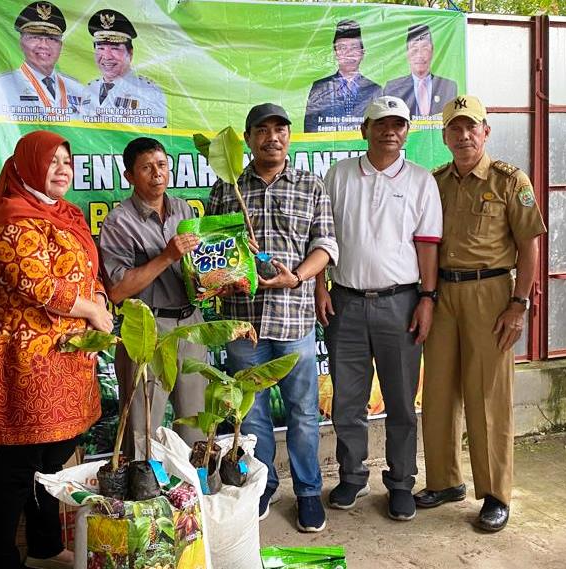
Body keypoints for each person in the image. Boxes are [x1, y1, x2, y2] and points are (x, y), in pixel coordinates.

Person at [0, 130, 112, 569]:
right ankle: (2, 559)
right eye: (52, 161)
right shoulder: (12, 219)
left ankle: (45, 547)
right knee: (19, 466)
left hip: (71, 356)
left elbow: (87, 272)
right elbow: (36, 283)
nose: (62, 169)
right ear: (27, 166)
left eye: (67, 161)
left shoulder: (66, 214)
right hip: (29, 356)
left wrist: (99, 308)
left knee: (54, 460)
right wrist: (92, 311)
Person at [415, 95, 546, 532]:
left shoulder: (510, 180)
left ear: (486, 131)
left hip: (491, 295)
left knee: (487, 397)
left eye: (472, 127)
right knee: (437, 392)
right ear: (445, 136)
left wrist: (519, 303)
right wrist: (427, 296)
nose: (464, 135)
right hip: (441, 295)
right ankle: (445, 481)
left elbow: (530, 243)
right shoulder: (435, 182)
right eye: (455, 128)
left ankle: (495, 493)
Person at [207, 103, 338, 531]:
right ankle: (263, 485)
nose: (272, 137)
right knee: (252, 413)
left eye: (280, 129)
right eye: (261, 130)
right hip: (244, 323)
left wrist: (296, 277)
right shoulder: (227, 189)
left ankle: (306, 492)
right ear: (247, 140)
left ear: (289, 137)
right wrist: (224, 276)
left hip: (294, 320)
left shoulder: (310, 186)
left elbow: (326, 247)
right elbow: (213, 255)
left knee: (302, 411)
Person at [315, 96, 442, 522]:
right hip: (346, 301)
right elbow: (321, 238)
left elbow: (427, 247)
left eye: (399, 125)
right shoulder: (338, 176)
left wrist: (427, 299)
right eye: (381, 123)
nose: (390, 131)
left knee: (402, 402)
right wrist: (320, 286)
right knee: (348, 400)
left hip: (401, 303)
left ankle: (402, 482)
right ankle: (352, 477)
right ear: (364, 128)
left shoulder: (422, 181)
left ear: (408, 131)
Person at [99, 137, 205, 452]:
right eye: (146, 168)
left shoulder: (184, 209)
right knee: (142, 428)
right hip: (147, 330)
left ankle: (196, 494)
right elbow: (117, 291)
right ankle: (141, 497)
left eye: (161, 165)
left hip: (190, 324)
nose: (157, 173)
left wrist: (219, 270)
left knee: (196, 423)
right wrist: (166, 256)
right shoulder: (119, 222)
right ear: (130, 176)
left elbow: (198, 267)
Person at [0, 1, 87, 122]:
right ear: (21, 42)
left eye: (51, 38)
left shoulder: (76, 88)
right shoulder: (1, 85)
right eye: (35, 37)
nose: (44, 45)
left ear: (60, 45)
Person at [84, 9, 167, 127]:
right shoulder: (89, 89)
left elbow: (159, 140)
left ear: (130, 53)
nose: (106, 57)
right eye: (100, 48)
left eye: (115, 48)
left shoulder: (149, 92)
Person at [304, 20, 382, 133]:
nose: (348, 53)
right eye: (342, 48)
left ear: (362, 53)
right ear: (335, 53)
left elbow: (380, 127)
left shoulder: (374, 89)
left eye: (354, 47)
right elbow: (310, 130)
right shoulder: (320, 87)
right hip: (328, 149)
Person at [382, 25, 458, 119]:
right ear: (407, 53)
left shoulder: (448, 87)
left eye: (425, 48)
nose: (419, 55)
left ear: (432, 51)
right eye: (414, 49)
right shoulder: (392, 88)